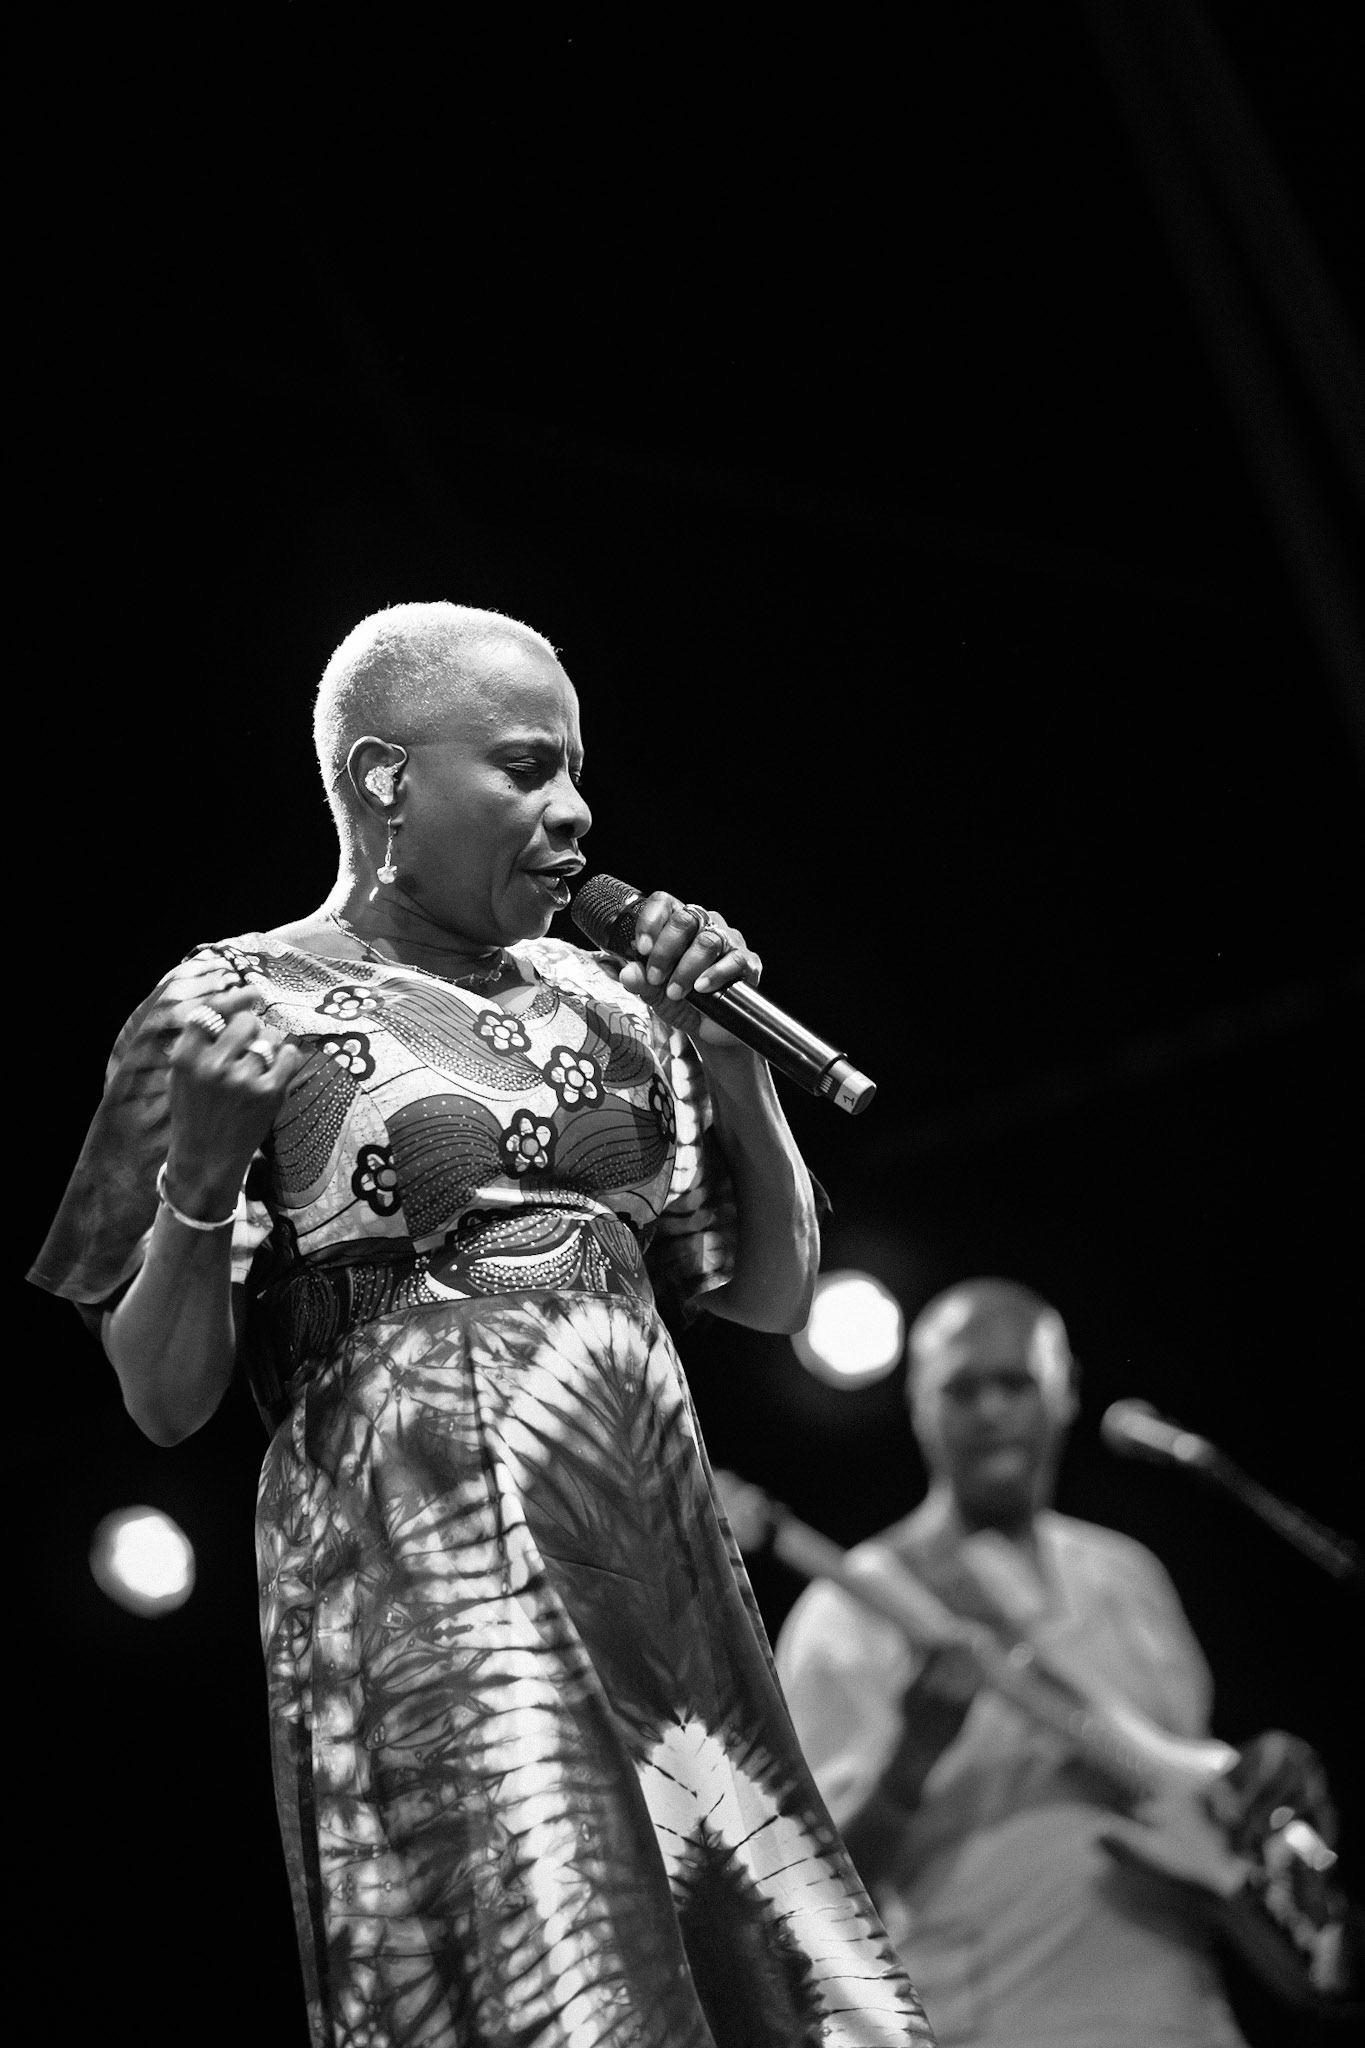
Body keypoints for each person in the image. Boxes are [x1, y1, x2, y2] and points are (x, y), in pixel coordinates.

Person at [30, 602, 934, 2048]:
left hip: (652, 1560)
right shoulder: (233, 1000)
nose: (572, 809)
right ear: (386, 778)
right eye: (523, 769)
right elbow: (161, 1397)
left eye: (575, 769)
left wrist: (730, 1068)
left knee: (753, 1973)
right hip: (427, 1575)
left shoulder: (608, 1000)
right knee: (554, 1967)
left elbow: (768, 1294)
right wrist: (200, 1182)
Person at [774, 1276, 1349, 2048]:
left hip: (1189, 2019)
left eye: (1013, 1383)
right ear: (916, 1404)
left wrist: (1257, 1782)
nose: (988, 1412)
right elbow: (802, 1908)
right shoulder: (851, 1610)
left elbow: (1190, 1804)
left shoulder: (1127, 1575)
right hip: (1001, 2024)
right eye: (959, 1390)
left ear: (1065, 1389)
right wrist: (909, 1759)